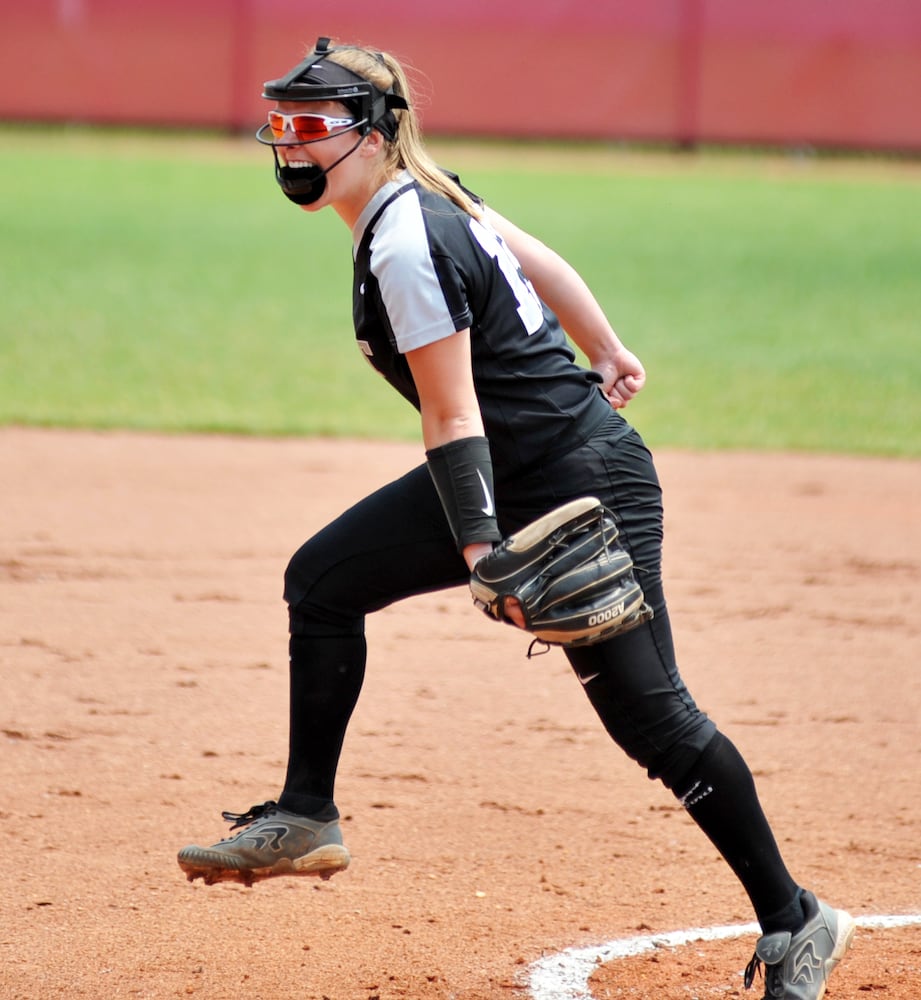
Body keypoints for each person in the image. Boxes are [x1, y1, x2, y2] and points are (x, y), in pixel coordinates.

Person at [177, 37, 855, 1000]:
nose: (291, 147)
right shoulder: (422, 198)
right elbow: (537, 262)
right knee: (321, 583)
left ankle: (797, 921)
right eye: (280, 127)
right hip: (519, 461)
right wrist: (607, 348)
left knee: (652, 718)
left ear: (375, 135)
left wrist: (479, 547)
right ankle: (305, 812)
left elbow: (450, 415)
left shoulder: (408, 236)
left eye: (314, 128)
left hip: (583, 481)